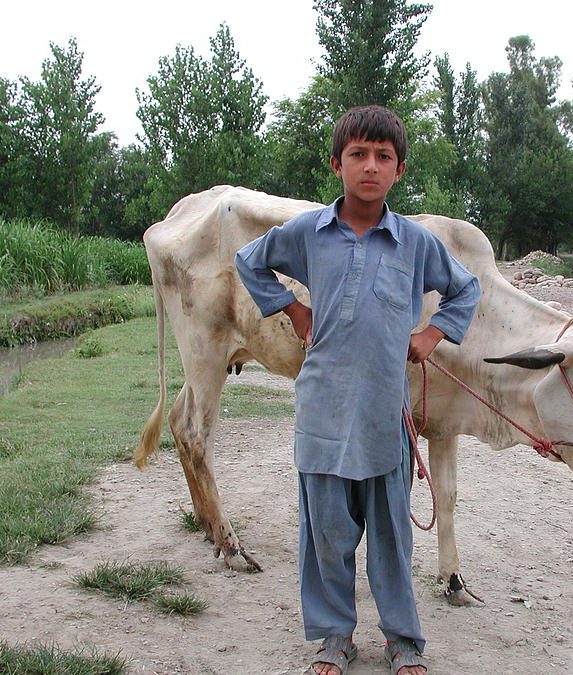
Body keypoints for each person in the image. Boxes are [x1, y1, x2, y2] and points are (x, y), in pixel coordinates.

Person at [236, 105, 480, 675]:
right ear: (337, 164)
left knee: (393, 535)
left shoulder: (415, 243)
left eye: (383, 157)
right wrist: (293, 308)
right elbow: (251, 261)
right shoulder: (307, 233)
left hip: (383, 412)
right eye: (358, 155)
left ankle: (402, 641)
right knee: (326, 532)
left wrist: (432, 332)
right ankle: (333, 638)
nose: (370, 166)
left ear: (398, 170)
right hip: (322, 407)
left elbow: (463, 291)